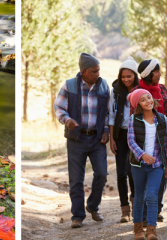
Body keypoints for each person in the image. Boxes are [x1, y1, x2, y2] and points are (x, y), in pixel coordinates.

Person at [53, 53, 110, 228]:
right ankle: (77, 216)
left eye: (98, 70)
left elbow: (108, 111)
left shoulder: (103, 85)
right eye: (94, 71)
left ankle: (92, 206)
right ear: (83, 71)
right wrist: (67, 120)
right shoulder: (70, 85)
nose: (97, 74)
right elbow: (59, 107)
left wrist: (106, 129)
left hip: (97, 138)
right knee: (76, 179)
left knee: (101, 174)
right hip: (76, 138)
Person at [131, 59, 167, 224]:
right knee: (145, 179)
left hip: (165, 138)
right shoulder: (137, 91)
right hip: (147, 140)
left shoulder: (163, 88)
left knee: (163, 175)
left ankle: (156, 209)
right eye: (157, 71)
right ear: (150, 74)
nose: (159, 74)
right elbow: (134, 117)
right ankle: (143, 214)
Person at [127, 89, 167, 240]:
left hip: (157, 165)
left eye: (149, 97)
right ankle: (138, 230)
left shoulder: (162, 120)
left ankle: (151, 231)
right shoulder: (134, 119)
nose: (148, 101)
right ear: (137, 105)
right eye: (143, 100)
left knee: (153, 196)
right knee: (140, 196)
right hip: (138, 166)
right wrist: (142, 155)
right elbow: (131, 141)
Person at [108, 57, 139, 222]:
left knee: (132, 170)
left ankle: (135, 202)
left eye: (129, 76)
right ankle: (124, 209)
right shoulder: (116, 92)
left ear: (135, 74)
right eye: (123, 76)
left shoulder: (140, 90)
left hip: (136, 136)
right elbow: (112, 115)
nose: (126, 79)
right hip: (120, 135)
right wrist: (112, 138)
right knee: (121, 173)